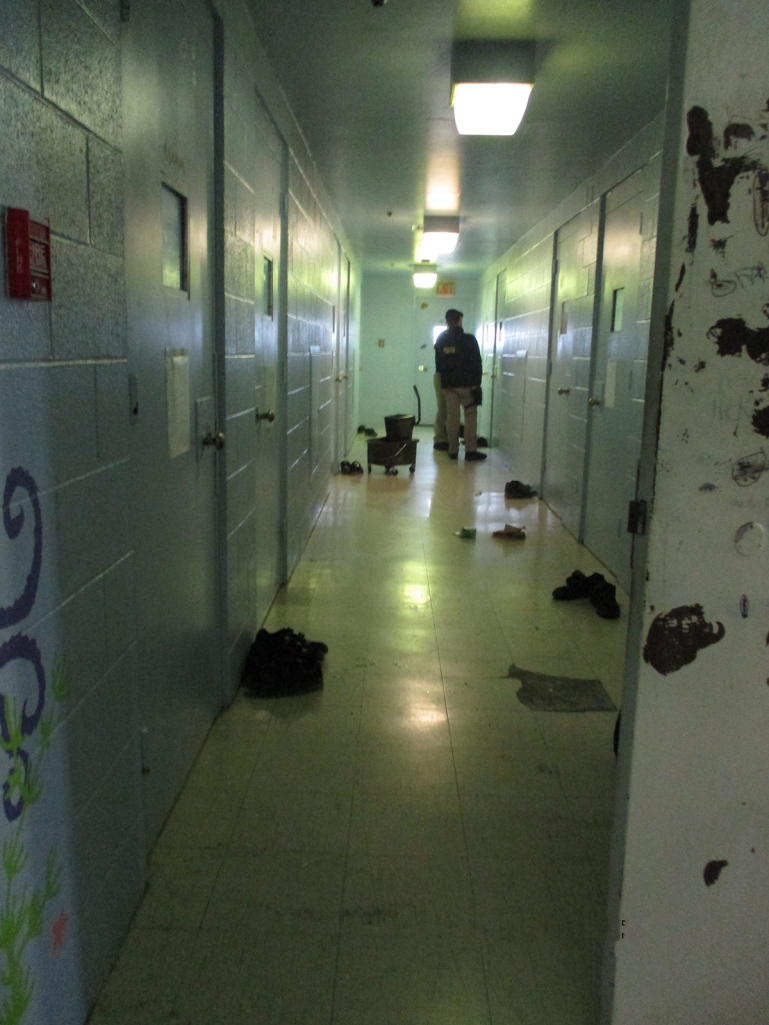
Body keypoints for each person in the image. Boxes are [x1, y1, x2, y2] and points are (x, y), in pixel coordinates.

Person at [434, 309, 487, 461]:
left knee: (452, 418)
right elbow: (477, 363)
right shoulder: (469, 340)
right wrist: (477, 384)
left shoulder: (441, 340)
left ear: (447, 321)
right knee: (470, 416)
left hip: (449, 386)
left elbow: (439, 364)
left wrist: (444, 382)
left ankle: (452, 451)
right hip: (467, 385)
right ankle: (470, 451)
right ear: (459, 320)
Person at [433, 339, 449, 451]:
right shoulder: (442, 339)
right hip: (442, 376)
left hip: (449, 377)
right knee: (443, 408)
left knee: (447, 409)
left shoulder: (442, 339)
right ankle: (440, 438)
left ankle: (445, 437)